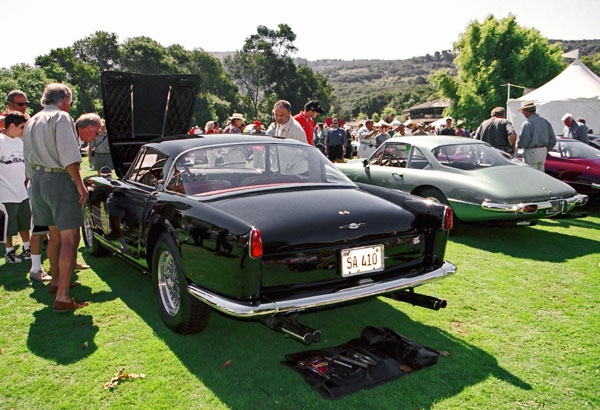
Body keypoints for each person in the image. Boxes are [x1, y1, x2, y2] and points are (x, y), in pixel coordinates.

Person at [23, 83, 88, 313]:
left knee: (54, 235)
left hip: (37, 180)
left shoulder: (32, 120)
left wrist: (32, 181)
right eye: (69, 101)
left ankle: (56, 281)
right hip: (58, 179)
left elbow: (27, 156)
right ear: (64, 99)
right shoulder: (61, 118)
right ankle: (62, 296)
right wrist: (80, 186)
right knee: (70, 237)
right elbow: (69, 157)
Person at [0, 112, 33, 266]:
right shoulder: (1, 141)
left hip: (21, 191)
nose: (23, 131)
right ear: (11, 126)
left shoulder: (20, 142)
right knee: (8, 225)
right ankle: (9, 252)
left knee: (24, 222)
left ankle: (27, 248)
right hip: (5, 192)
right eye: (21, 127)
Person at [517, 101, 556, 171]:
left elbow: (524, 141)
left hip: (532, 151)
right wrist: (546, 149)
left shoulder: (527, 123)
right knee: (541, 174)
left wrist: (519, 146)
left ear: (526, 111)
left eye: (523, 112)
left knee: (531, 174)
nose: (523, 114)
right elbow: (553, 140)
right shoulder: (545, 122)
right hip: (543, 151)